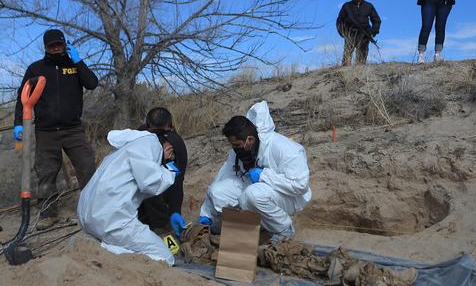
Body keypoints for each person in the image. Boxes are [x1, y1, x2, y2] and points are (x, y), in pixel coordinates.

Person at [13, 29, 98, 230]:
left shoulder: (74, 66)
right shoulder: (36, 68)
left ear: (64, 44)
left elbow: (92, 83)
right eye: (52, 45)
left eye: (59, 44)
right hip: (46, 131)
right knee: (46, 173)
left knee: (87, 167)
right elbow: (22, 97)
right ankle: (48, 215)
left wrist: (78, 61)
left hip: (73, 129)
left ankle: (93, 209)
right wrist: (18, 122)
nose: (56, 47)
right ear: (46, 47)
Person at [197, 101, 311, 243]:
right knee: (218, 191)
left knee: (251, 195)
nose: (235, 148)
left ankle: (284, 229)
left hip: (290, 197)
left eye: (237, 145)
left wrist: (264, 175)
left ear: (250, 139)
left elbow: (300, 185)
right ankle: (234, 227)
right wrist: (206, 214)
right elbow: (221, 179)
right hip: (257, 191)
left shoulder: (284, 148)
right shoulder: (239, 152)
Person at [77, 129, 180, 265]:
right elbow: (151, 184)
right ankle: (104, 249)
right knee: (165, 257)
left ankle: (100, 243)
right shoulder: (151, 146)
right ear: (168, 148)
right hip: (110, 220)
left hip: (87, 215)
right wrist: (171, 170)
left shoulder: (130, 146)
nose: (166, 160)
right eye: (170, 157)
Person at [136, 108, 188, 235]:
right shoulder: (138, 139)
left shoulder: (174, 142)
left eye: (162, 131)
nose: (157, 136)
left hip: (161, 196)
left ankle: (163, 225)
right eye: (154, 131)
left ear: (170, 127)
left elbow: (177, 180)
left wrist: (175, 211)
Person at [336, 0, 382, 66]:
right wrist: (343, 33)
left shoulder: (368, 6)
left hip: (364, 35)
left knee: (361, 62)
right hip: (350, 35)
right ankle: (345, 75)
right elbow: (339, 21)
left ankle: (359, 75)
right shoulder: (347, 6)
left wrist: (373, 32)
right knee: (346, 61)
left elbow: (377, 20)